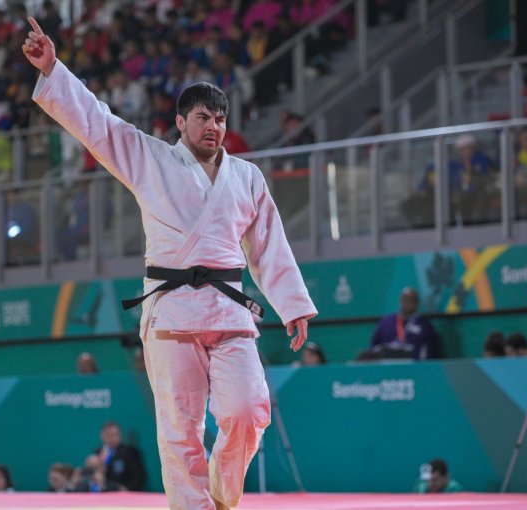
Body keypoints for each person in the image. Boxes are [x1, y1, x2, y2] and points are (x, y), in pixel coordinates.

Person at [23, 17, 316, 510]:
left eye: (220, 118)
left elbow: (268, 244)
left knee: (249, 410)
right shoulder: (150, 158)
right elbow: (98, 124)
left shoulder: (246, 177)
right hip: (172, 311)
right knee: (179, 428)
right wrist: (53, 68)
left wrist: (293, 305)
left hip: (229, 311)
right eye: (203, 117)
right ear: (181, 123)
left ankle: (224, 489)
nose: (214, 126)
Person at [370, 288, 439, 359]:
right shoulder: (386, 322)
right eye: (405, 299)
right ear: (400, 301)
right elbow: (373, 348)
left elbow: (434, 352)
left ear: (417, 303)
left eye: (411, 300)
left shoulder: (425, 326)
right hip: (389, 367)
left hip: (415, 367)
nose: (408, 303)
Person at [96, 421, 146, 491]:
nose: (111, 438)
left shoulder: (130, 452)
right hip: (103, 494)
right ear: (102, 436)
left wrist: (128, 490)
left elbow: (139, 476)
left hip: (125, 495)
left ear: (120, 435)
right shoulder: (97, 453)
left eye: (113, 434)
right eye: (108, 435)